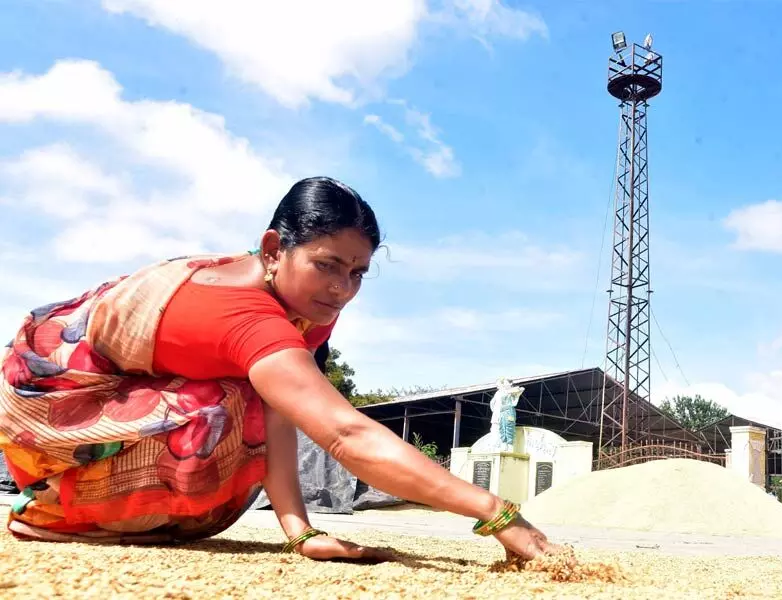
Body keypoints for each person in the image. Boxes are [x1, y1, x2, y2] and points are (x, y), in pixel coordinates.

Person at [0, 176, 560, 562]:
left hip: (124, 392)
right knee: (221, 416)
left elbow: (281, 412)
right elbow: (343, 433)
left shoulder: (302, 309)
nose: (343, 289)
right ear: (273, 249)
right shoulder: (246, 317)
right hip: (49, 399)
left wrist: (300, 532)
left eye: (359, 273)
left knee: (246, 406)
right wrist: (497, 513)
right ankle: (51, 513)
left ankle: (92, 501)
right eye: (328, 266)